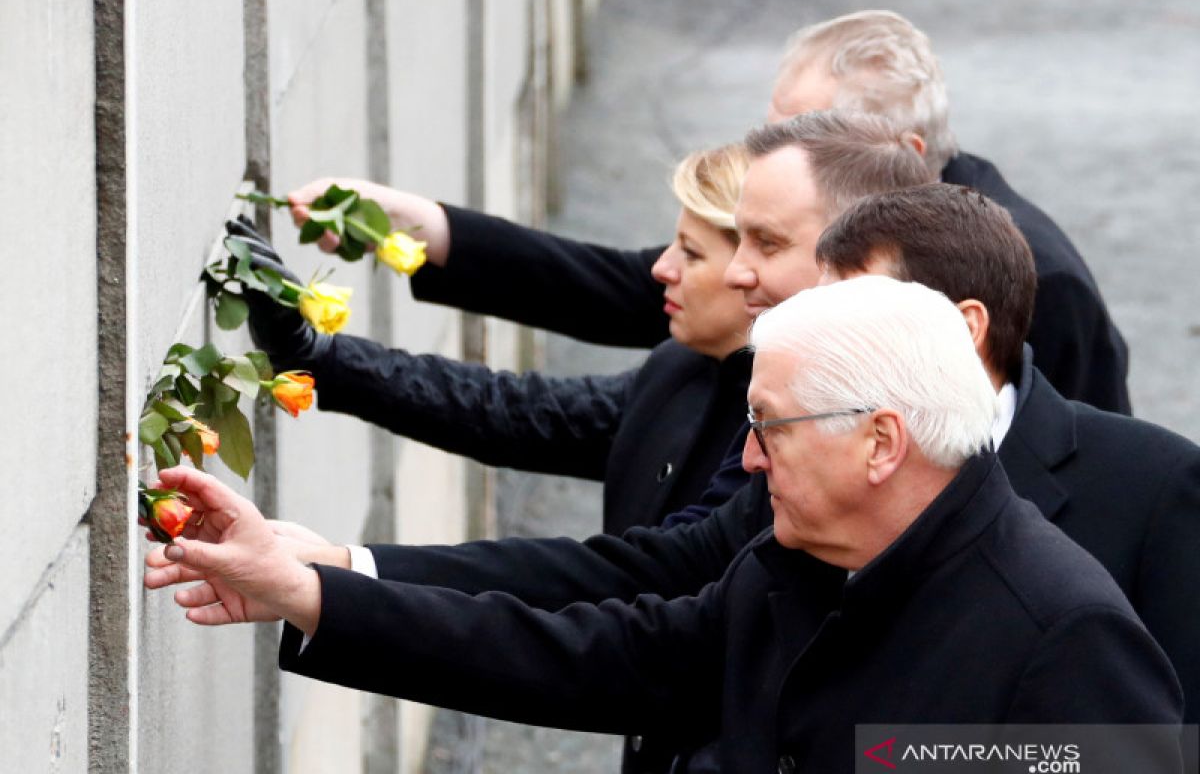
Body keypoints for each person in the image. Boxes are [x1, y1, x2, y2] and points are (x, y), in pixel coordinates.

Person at [147, 277, 1184, 773]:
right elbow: (590, 655)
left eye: (769, 426)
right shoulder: (793, 559)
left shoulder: (1063, 631)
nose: (744, 457)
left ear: (880, 441)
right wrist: (309, 588)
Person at [290, 9, 1130, 414]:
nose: (775, 152)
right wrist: (420, 228)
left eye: (814, 133)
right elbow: (629, 287)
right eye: (775, 125)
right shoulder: (864, 219)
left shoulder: (1038, 280)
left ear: (905, 159)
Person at [235, 144, 758, 536]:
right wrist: (319, 356)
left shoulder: (772, 455)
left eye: (689, 253)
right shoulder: (681, 369)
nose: (661, 269)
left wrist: (332, 575)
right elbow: (515, 410)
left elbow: (612, 591)